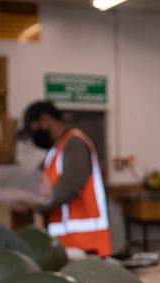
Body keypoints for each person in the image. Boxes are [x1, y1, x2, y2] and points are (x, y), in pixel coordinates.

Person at [19, 101, 111, 256]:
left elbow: (69, 187)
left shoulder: (75, 143)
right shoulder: (54, 152)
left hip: (86, 245)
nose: (33, 134)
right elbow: (36, 181)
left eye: (33, 127)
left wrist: (34, 201)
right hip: (66, 245)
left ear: (45, 119)